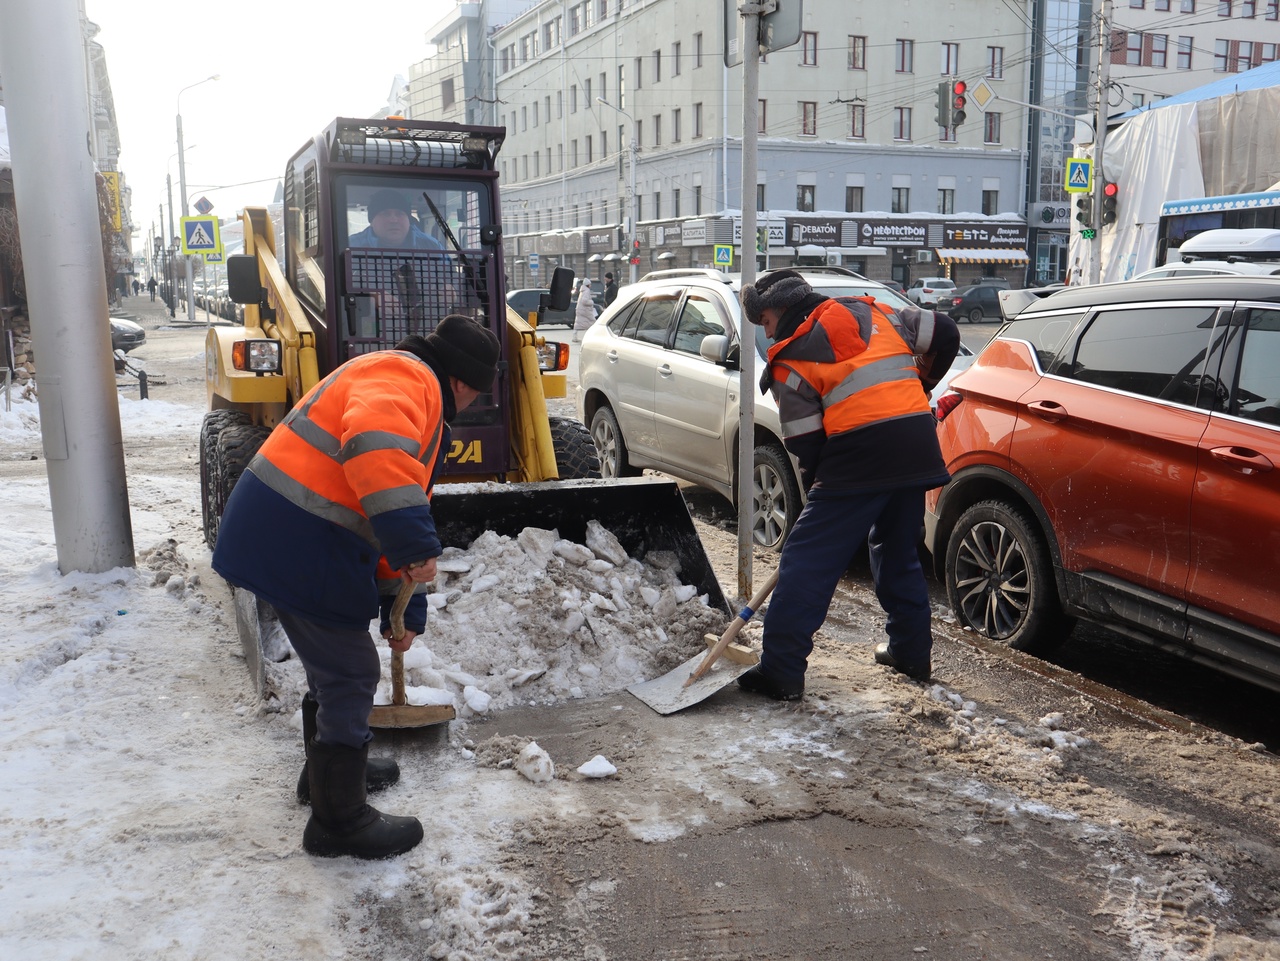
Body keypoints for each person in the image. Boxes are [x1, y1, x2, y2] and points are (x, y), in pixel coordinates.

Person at [212, 315, 501, 860]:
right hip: (295, 537)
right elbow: (375, 453)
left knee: (334, 668)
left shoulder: (397, 376)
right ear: (465, 383)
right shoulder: (405, 378)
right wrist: (418, 544)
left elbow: (384, 504)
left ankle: (322, 778)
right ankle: (338, 821)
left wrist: (404, 611)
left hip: (291, 534)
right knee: (350, 672)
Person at [734, 270, 960, 701]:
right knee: (898, 556)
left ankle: (780, 671)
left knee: (805, 564)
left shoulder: (791, 357)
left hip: (857, 457)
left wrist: (815, 487)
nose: (765, 333)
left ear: (780, 309)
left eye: (763, 322)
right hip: (916, 446)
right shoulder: (875, 312)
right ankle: (911, 656)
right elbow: (945, 331)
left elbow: (805, 441)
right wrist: (921, 385)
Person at [348, 188, 444, 249]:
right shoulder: (351, 246)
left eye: (400, 214)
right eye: (385, 214)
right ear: (371, 221)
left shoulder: (431, 246)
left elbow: (450, 277)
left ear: (409, 220)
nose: (393, 220)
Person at [572, 278, 597, 342]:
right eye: (590, 284)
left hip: (580, 309)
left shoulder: (582, 291)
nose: (590, 285)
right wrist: (591, 302)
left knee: (578, 323)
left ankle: (574, 337)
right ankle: (593, 336)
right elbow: (584, 301)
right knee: (593, 322)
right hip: (585, 310)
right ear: (588, 285)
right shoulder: (587, 291)